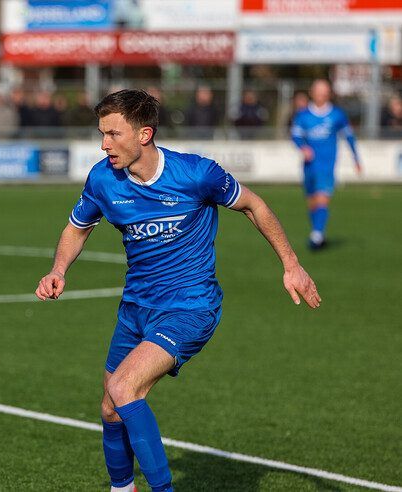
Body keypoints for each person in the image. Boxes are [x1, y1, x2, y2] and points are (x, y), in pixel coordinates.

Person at [35, 89, 320, 492]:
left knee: (123, 388)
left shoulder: (196, 173)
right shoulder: (102, 179)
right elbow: (76, 228)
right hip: (135, 308)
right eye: (102, 133)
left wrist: (291, 264)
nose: (104, 144)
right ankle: (122, 488)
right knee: (110, 408)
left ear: (145, 134)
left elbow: (255, 206)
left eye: (114, 134)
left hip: (190, 307)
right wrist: (58, 269)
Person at [291, 79, 361, 250]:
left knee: (322, 199)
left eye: (325, 91)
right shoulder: (303, 115)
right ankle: (317, 233)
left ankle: (316, 235)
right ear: (312, 92)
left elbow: (349, 136)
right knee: (312, 202)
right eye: (319, 91)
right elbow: (295, 135)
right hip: (309, 166)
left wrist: (356, 159)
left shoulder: (337, 115)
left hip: (327, 165)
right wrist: (303, 147)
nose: (322, 94)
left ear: (329, 93)